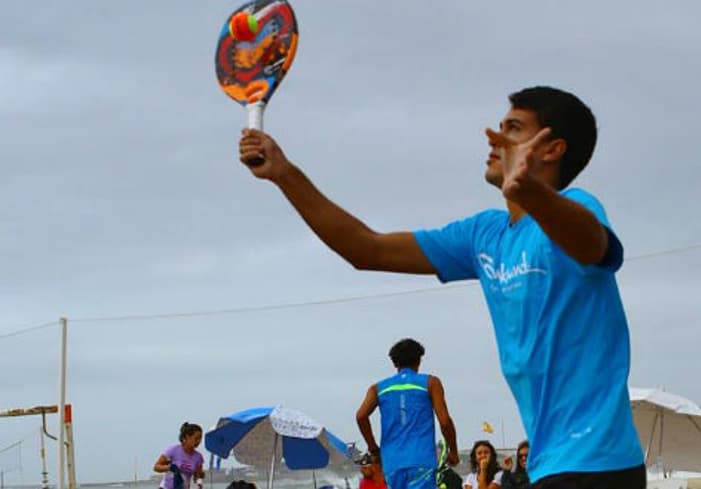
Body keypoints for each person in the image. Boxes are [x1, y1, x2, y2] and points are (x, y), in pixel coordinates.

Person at [238, 86, 646, 489]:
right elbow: (366, 248)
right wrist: (284, 174)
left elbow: (591, 243)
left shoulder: (579, 207)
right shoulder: (484, 234)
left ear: (552, 148)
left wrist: (533, 193)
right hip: (551, 464)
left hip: (600, 461)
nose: (494, 138)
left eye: (513, 129)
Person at [356, 338, 459, 489]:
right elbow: (444, 422)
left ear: (394, 363)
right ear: (419, 360)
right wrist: (453, 451)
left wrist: (373, 448)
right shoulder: (430, 383)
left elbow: (361, 416)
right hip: (421, 459)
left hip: (392, 462)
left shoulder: (378, 389)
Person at [153, 423, 205, 489]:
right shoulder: (173, 450)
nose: (198, 441)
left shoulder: (198, 457)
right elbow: (156, 467)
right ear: (187, 437)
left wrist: (199, 479)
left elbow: (197, 477)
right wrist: (170, 467)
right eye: (196, 438)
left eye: (200, 438)